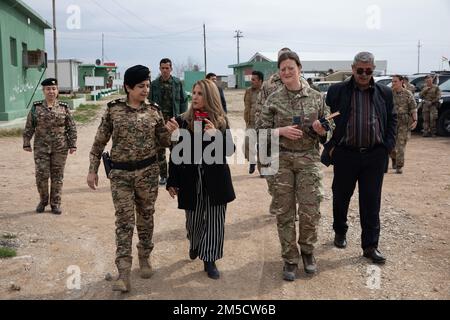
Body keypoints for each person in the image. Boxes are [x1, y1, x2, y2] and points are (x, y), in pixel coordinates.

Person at [87, 65, 179, 293]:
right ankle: (124, 272)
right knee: (125, 222)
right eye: (141, 86)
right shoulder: (113, 110)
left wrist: (171, 132)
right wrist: (92, 169)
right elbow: (99, 142)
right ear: (128, 87)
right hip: (121, 176)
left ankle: (145, 256)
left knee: (146, 218)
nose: (146, 90)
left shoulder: (154, 111)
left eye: (147, 85)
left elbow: (165, 142)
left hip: (148, 174)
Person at [258, 51, 333, 281]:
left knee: (310, 210)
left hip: (308, 159)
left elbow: (331, 125)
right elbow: (259, 132)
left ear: (299, 68)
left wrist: (324, 130)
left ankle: (308, 252)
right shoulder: (273, 99)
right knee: (285, 212)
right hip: (281, 161)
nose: (287, 72)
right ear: (279, 74)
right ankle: (290, 258)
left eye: (291, 67)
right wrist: (280, 131)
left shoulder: (316, 97)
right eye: (283, 69)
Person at [322, 52, 397, 264]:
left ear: (373, 70)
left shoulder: (384, 93)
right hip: (346, 154)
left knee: (371, 201)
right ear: (353, 68)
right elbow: (325, 118)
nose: (364, 74)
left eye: (368, 71)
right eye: (360, 70)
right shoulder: (337, 91)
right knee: (341, 196)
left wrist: (387, 146)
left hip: (374, 155)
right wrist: (329, 143)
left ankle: (370, 246)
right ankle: (340, 231)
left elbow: (392, 120)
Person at [166, 79, 235, 280]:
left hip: (216, 180)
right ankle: (195, 243)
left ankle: (210, 258)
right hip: (190, 178)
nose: (194, 97)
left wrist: (216, 136)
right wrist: (172, 180)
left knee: (215, 220)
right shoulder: (182, 120)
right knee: (193, 221)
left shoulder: (221, 121)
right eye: (193, 93)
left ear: (210, 96)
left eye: (199, 93)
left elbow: (230, 150)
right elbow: (176, 153)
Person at [255, 47, 310, 215]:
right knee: (269, 172)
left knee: (292, 175)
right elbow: (260, 109)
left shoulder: (303, 82)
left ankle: (288, 205)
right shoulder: (268, 85)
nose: (286, 69)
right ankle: (278, 197)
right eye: (281, 62)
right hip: (272, 135)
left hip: (294, 139)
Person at [23, 78, 77, 215]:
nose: (51, 91)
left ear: (57, 90)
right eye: (48, 89)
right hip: (41, 147)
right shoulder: (36, 107)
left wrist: (73, 144)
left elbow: (71, 127)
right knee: (41, 175)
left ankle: (55, 203)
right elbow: (29, 126)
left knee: (57, 176)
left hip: (60, 147)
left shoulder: (64, 107)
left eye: (53, 89)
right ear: (43, 91)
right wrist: (26, 142)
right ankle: (43, 200)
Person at [150, 58, 188, 185]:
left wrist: (183, 119)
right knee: (159, 151)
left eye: (167, 68)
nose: (165, 70)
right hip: (159, 123)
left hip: (173, 122)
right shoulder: (154, 84)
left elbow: (183, 101)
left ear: (171, 69)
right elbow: (149, 103)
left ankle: (175, 176)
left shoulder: (177, 83)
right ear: (160, 69)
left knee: (175, 149)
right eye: (162, 68)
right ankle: (163, 176)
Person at [390, 75, 418, 174]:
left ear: (402, 82)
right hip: (392, 122)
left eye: (395, 81)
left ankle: (399, 166)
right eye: (392, 81)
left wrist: (415, 120)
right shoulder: (390, 93)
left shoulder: (408, 94)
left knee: (401, 145)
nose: (393, 83)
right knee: (391, 145)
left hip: (404, 122)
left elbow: (413, 108)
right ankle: (393, 158)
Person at [243, 70, 264, 174]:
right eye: (251, 79)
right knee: (247, 144)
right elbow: (246, 105)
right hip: (250, 122)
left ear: (260, 81)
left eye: (253, 80)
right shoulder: (248, 91)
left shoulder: (266, 91)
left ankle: (262, 170)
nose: (251, 81)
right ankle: (252, 161)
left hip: (263, 123)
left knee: (262, 146)